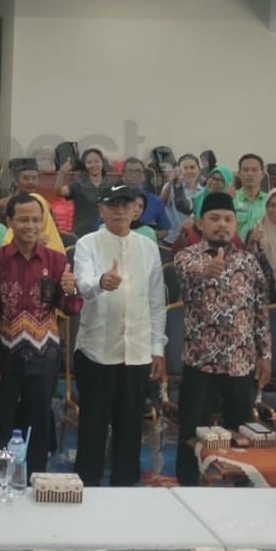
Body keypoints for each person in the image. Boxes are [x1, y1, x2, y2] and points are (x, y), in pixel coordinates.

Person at [0, 193, 82, 482]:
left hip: (43, 358)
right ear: (9, 221)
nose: (30, 225)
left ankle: (35, 485)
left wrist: (71, 289)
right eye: (23, 219)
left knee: (38, 425)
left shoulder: (56, 260)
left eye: (36, 220)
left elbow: (70, 308)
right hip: (3, 357)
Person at [72, 184, 167, 487]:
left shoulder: (148, 247)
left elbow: (156, 301)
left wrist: (157, 348)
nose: (120, 211)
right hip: (96, 351)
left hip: (137, 350)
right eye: (113, 205)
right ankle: (87, 486)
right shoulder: (88, 243)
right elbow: (82, 286)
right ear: (101, 209)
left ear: (136, 210)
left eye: (126, 205)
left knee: (130, 426)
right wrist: (101, 282)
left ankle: (125, 488)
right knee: (93, 426)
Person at [173, 191, 270, 485]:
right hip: (201, 362)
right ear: (201, 224)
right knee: (193, 434)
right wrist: (207, 270)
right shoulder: (187, 257)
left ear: (235, 224)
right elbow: (189, 271)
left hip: (241, 363)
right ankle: (188, 489)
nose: (222, 225)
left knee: (241, 435)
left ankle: (237, 488)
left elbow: (260, 311)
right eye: (214, 219)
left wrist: (265, 355)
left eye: (228, 219)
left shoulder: (249, 262)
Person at [56, 147, 114, 237]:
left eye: (97, 161)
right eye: (89, 162)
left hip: (105, 234)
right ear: (84, 166)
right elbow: (59, 191)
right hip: (81, 235)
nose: (93, 165)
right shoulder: (78, 185)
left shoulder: (111, 187)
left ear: (102, 163)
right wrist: (62, 172)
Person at [117, 158, 172, 238]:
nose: (134, 175)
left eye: (138, 171)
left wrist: (149, 236)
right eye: (130, 171)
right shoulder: (113, 200)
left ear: (143, 176)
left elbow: (165, 231)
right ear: (123, 176)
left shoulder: (156, 201)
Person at [162, 153, 203, 231]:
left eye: (192, 167)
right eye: (185, 168)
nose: (189, 171)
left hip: (195, 236)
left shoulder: (204, 191)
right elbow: (161, 204)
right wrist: (170, 182)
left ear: (199, 170)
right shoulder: (170, 186)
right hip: (171, 237)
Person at [231, 154, 268, 239]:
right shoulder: (231, 199)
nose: (250, 173)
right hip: (236, 246)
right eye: (245, 170)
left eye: (254, 170)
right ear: (239, 174)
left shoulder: (270, 201)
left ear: (262, 174)